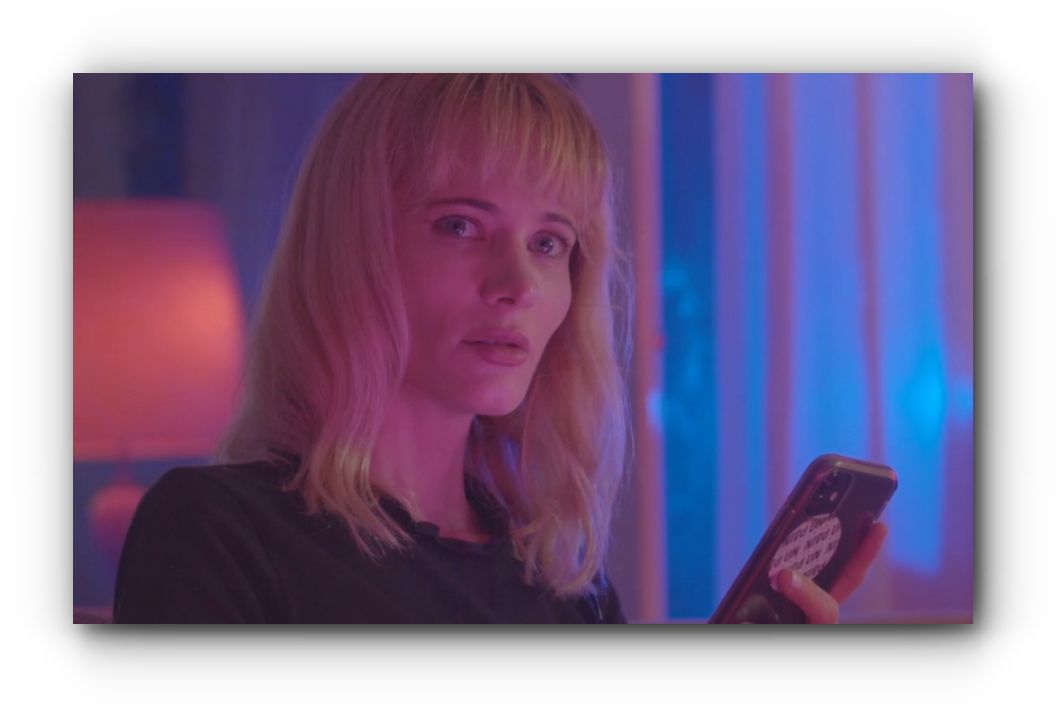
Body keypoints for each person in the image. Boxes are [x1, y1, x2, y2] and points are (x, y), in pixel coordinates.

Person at [114, 73, 885, 623]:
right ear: (352, 247)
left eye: (549, 242)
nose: (518, 283)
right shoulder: (215, 531)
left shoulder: (565, 586)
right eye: (461, 225)